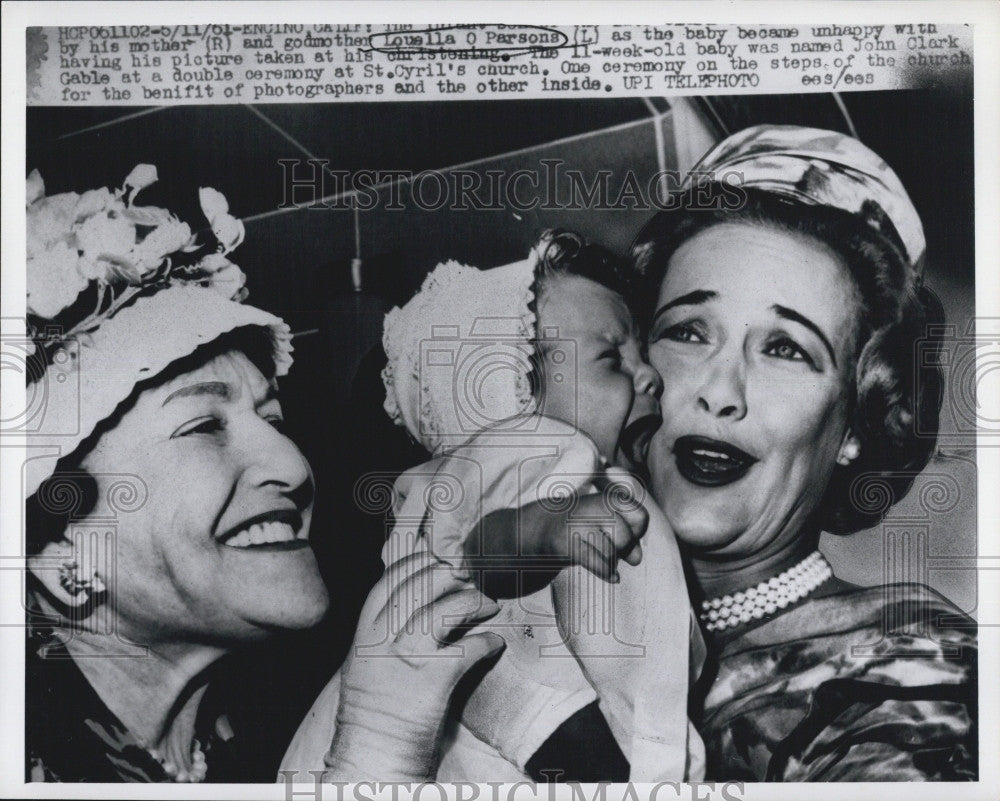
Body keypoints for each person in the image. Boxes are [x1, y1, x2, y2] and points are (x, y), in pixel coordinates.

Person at [23, 166, 505, 782]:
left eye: (274, 419)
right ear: (61, 550)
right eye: (203, 427)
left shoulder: (256, 736)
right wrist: (377, 755)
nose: (293, 465)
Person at [283, 232, 705, 781]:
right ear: (507, 398)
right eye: (610, 358)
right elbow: (478, 550)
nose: (648, 374)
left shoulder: (602, 482)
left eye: (640, 355)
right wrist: (545, 528)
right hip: (517, 737)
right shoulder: (525, 457)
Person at [628, 125, 977, 781]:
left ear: (856, 420)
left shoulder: (919, 665)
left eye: (785, 347)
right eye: (687, 331)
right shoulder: (546, 615)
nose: (720, 392)